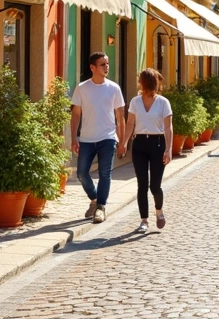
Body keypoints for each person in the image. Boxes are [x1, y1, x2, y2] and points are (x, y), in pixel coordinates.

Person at [70, 52, 127, 224]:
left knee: (105, 173)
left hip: (107, 137)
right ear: (92, 68)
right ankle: (95, 199)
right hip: (87, 138)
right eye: (102, 64)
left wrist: (123, 141)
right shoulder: (82, 88)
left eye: (107, 63)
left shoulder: (114, 88)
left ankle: (101, 207)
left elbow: (120, 117)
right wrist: (74, 138)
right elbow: (76, 115)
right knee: (81, 173)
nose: (107, 67)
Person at [124, 68, 171, 233]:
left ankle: (159, 211)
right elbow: (130, 123)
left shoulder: (163, 102)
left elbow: (168, 127)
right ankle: (144, 220)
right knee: (142, 184)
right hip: (139, 144)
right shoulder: (135, 102)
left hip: (158, 144)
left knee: (155, 186)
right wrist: (124, 142)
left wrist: (168, 149)